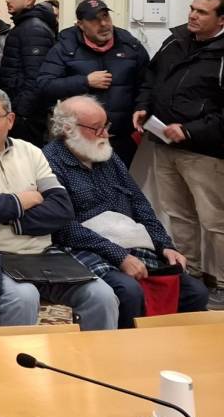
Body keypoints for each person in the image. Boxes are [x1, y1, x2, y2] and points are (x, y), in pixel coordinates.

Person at [0, 88, 119, 330]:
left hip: (45, 254)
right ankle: (6, 368)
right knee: (23, 297)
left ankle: (94, 366)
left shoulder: (31, 151)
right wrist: (26, 199)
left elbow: (62, 208)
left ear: (10, 120)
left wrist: (13, 219)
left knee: (101, 295)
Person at [45, 97, 208, 327]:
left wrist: (165, 245)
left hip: (130, 244)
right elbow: (63, 228)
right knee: (128, 291)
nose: (105, 134)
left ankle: (171, 354)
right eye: (97, 128)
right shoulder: (49, 161)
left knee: (195, 291)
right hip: (81, 247)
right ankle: (125, 356)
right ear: (67, 129)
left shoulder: (108, 156)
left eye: (106, 126)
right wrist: (119, 256)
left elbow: (141, 205)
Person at [132, 0, 224, 308]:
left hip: (205, 151)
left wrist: (190, 130)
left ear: (221, 19)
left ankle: (222, 283)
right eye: (192, 8)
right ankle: (193, 275)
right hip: (164, 142)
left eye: (202, 12)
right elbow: (152, 76)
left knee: (215, 220)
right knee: (178, 214)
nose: (193, 16)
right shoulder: (176, 39)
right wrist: (143, 107)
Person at [36, 0, 148, 164]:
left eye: (105, 16)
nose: (103, 24)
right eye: (95, 20)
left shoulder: (130, 45)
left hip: (120, 138)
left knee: (121, 187)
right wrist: (85, 81)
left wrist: (142, 107)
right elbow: (45, 85)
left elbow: (147, 84)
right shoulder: (65, 48)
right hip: (79, 139)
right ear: (81, 25)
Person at [0, 0, 57, 144]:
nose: (7, 0)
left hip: (27, 116)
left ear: (29, 0)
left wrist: (21, 113)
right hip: (20, 111)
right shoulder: (25, 25)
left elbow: (36, 77)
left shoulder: (33, 28)